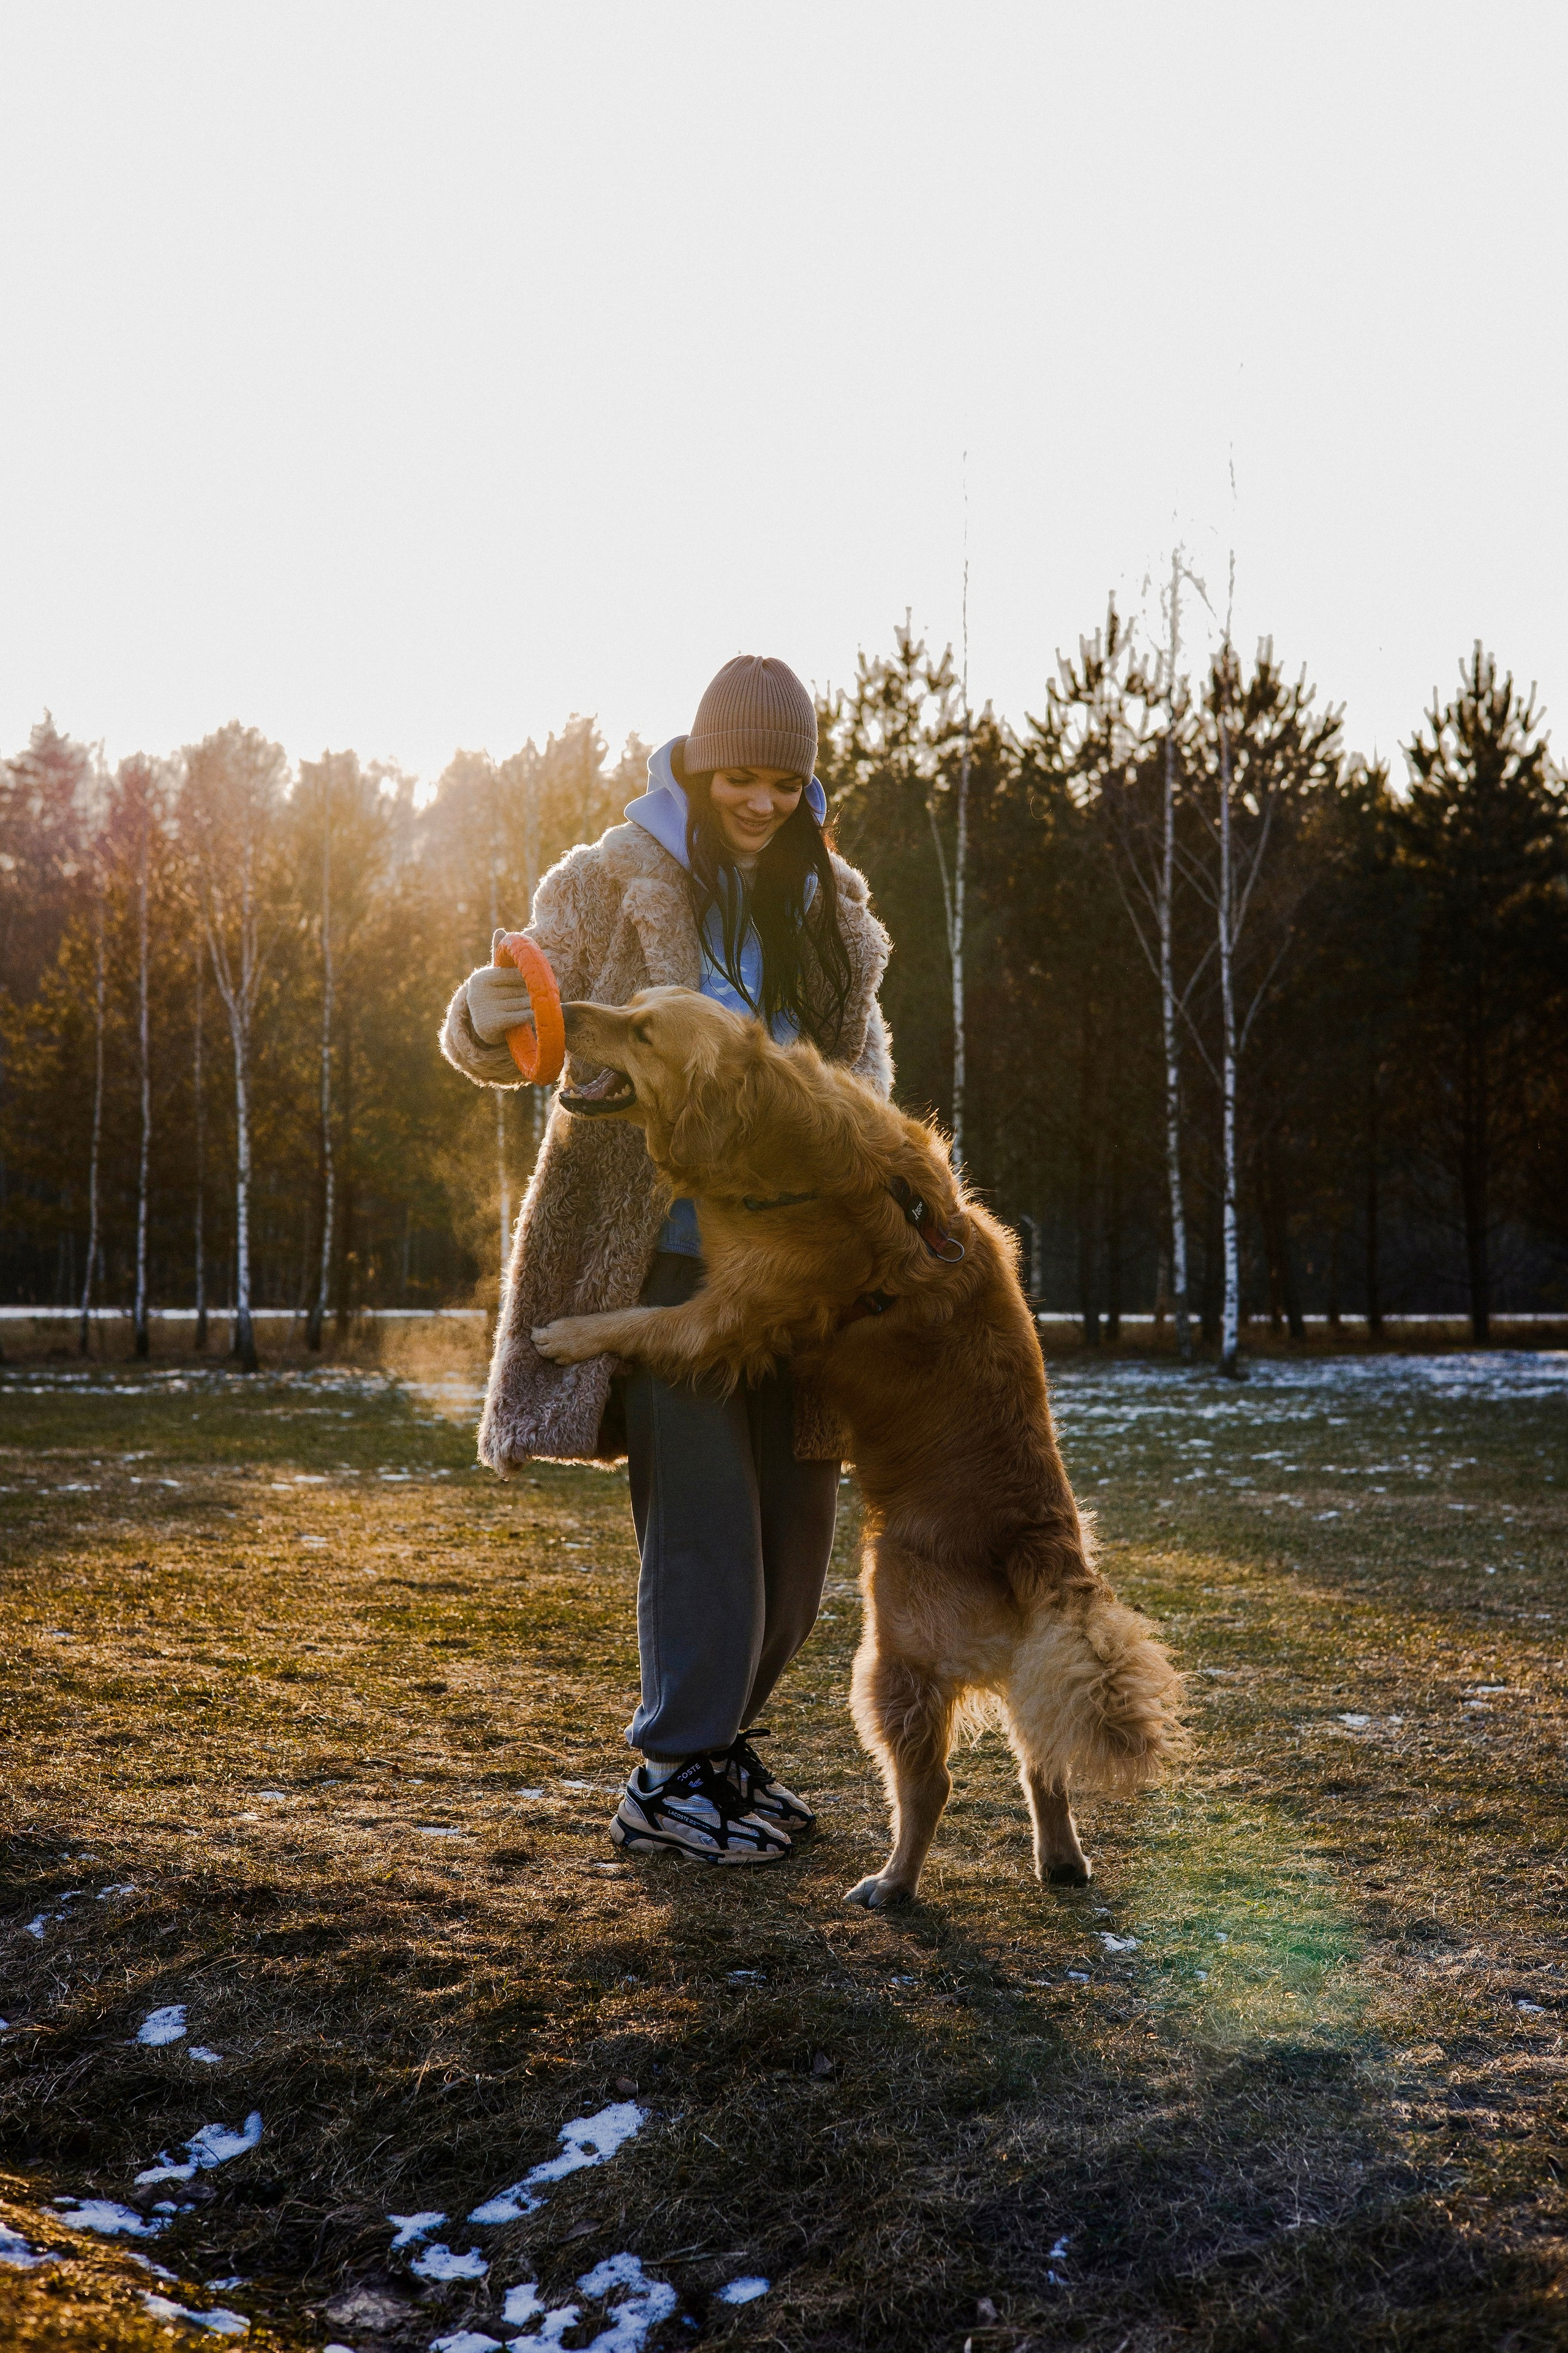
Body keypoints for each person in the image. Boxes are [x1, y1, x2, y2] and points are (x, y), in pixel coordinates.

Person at [440, 655, 893, 1865]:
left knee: (793, 1548)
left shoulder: (830, 912)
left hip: (791, 1279)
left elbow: (866, 1080)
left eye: (783, 781)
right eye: (740, 775)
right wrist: (485, 1014)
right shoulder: (608, 882)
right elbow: (509, 1020)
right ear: (696, 767)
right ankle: (668, 1777)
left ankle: (721, 1749)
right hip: (661, 1271)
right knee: (702, 1529)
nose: (760, 800)